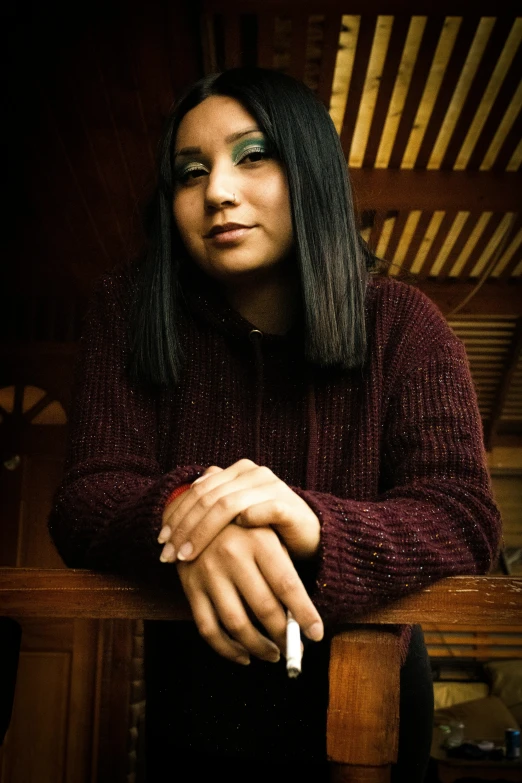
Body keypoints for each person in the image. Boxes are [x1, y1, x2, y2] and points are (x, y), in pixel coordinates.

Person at [48, 67, 501, 782]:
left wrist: (310, 523)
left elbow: (464, 516)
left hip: (372, 705)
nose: (217, 191)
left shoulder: (405, 324)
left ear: (311, 169)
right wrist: (192, 509)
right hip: (197, 709)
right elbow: (85, 497)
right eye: (189, 172)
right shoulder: (127, 311)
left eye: (253, 155)